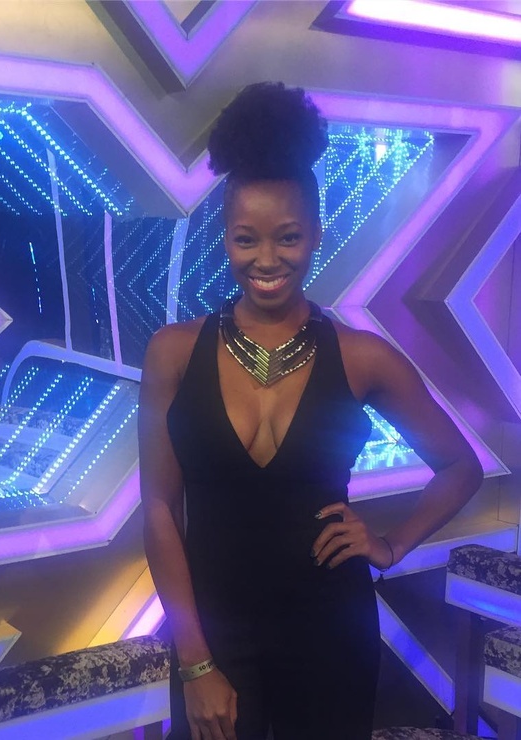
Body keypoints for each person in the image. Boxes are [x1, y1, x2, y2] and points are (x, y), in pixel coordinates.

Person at [138, 82, 483, 740]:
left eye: (289, 237)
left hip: (333, 633)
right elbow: (158, 508)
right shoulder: (173, 353)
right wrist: (195, 661)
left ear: (317, 234)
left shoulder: (363, 357)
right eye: (246, 239)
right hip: (214, 637)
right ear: (225, 238)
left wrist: (390, 544)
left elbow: (459, 467)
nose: (266, 259)